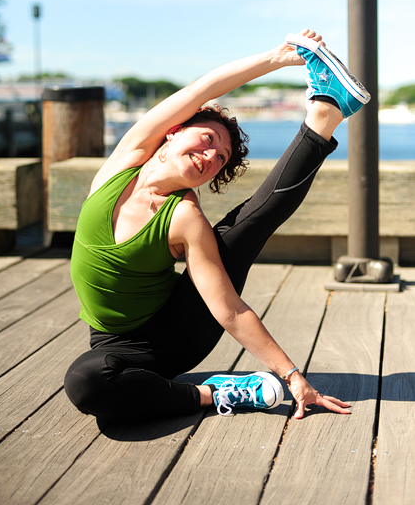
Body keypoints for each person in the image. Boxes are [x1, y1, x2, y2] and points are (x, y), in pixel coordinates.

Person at [64, 29, 371, 423]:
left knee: (243, 230)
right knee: (92, 380)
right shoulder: (123, 163)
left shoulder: (183, 217)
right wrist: (277, 58)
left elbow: (230, 311)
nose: (210, 155)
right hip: (111, 342)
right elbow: (202, 88)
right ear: (173, 131)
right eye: (207, 139)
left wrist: (292, 376)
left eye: (220, 158)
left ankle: (324, 116)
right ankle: (208, 392)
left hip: (172, 338)